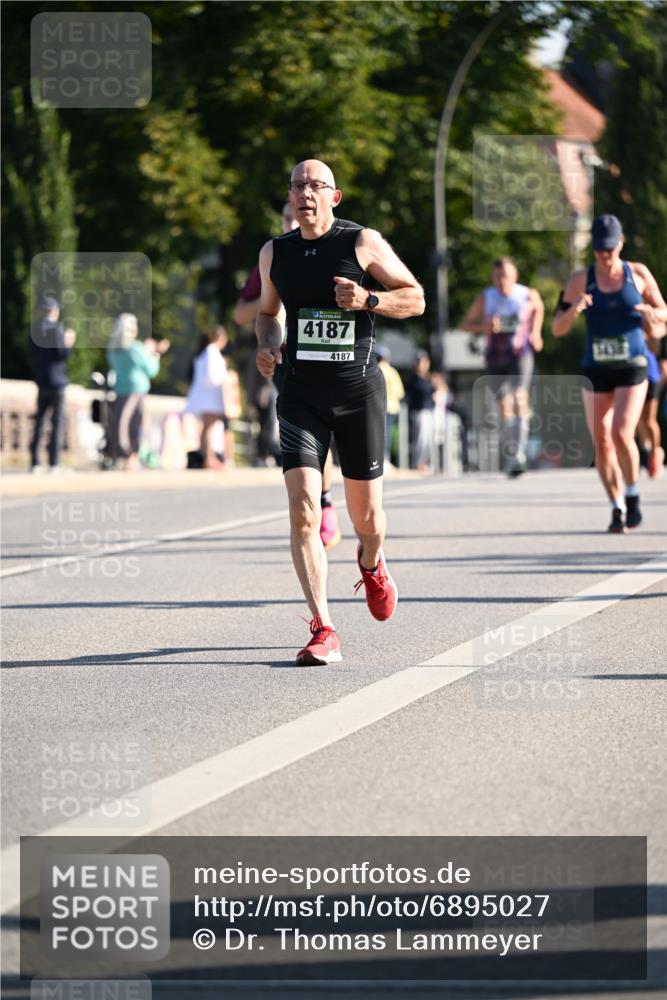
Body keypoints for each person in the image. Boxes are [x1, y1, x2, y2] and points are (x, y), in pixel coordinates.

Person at [255, 159, 424, 664]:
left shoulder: (361, 243)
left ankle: (372, 564)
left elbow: (415, 298)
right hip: (301, 395)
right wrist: (268, 346)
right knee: (304, 507)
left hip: (358, 395)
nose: (305, 192)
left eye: (316, 185)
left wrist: (368, 298)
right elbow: (267, 316)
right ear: (289, 196)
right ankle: (323, 626)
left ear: (336, 196)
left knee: (365, 516)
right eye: (297, 185)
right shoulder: (274, 253)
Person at [551, 214, 667, 532]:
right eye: (599, 249)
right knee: (601, 442)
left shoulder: (638, 274)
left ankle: (632, 494)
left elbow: (664, 312)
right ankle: (616, 505)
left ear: (621, 243)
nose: (604, 256)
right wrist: (574, 310)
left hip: (633, 364)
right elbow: (556, 328)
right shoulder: (579, 280)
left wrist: (652, 314)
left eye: (610, 249)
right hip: (596, 367)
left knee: (620, 432)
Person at [235, 203, 342, 547]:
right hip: (284, 361)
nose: (295, 222)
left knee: (321, 436)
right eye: (287, 219)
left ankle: (324, 502)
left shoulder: (334, 251)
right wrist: (273, 294)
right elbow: (241, 314)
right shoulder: (272, 257)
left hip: (325, 360)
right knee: (304, 436)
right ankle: (311, 507)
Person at [461, 257, 544, 476]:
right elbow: (465, 325)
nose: (501, 281)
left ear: (515, 276)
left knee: (519, 397)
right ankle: (513, 453)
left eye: (505, 276)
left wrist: (535, 332)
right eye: (497, 276)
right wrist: (484, 326)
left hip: (520, 354)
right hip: (495, 357)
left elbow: (539, 308)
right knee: (504, 408)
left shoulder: (526, 294)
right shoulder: (486, 297)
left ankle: (518, 454)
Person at [106, 313, 170, 471]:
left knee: (122, 422)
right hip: (136, 389)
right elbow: (152, 369)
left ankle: (122, 455)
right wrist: (155, 353)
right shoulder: (135, 348)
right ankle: (130, 456)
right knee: (134, 424)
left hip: (120, 389)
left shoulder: (113, 349)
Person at [29, 295, 76, 472]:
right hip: (57, 382)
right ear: (54, 311)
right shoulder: (56, 330)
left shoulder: (35, 330)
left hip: (42, 381)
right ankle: (54, 463)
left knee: (40, 422)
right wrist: (69, 342)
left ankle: (35, 462)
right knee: (57, 424)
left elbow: (32, 354)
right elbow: (62, 354)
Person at [184, 325, 231, 469]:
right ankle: (209, 457)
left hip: (205, 398)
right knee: (209, 428)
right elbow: (212, 377)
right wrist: (224, 378)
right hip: (209, 398)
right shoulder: (212, 352)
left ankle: (207, 456)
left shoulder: (204, 352)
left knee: (207, 428)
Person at [637, 332, 665, 480]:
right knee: (636, 421)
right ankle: (645, 453)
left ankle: (655, 454)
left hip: (650, 375)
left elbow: (656, 349)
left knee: (648, 420)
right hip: (631, 376)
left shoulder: (648, 323)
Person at [376, 344, 405, 465]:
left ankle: (381, 458)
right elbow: (400, 393)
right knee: (388, 434)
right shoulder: (393, 371)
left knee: (380, 434)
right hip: (393, 407)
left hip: (379, 407)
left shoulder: (376, 369)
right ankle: (387, 459)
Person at [408, 350, 435, 472]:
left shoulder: (428, 378)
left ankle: (424, 462)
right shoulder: (414, 379)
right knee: (420, 439)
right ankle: (417, 463)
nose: (421, 364)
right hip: (419, 411)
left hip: (429, 411)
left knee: (428, 440)